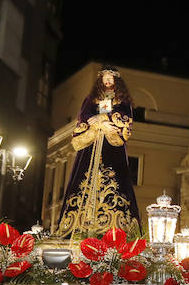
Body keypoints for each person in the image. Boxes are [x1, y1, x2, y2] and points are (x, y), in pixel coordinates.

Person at [54, 66, 141, 239]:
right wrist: (94, 122)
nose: (107, 81)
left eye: (110, 78)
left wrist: (105, 119)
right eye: (105, 78)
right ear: (101, 81)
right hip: (92, 142)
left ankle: (115, 227)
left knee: (115, 178)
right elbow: (84, 114)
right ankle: (77, 224)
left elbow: (125, 115)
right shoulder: (91, 98)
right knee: (83, 177)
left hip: (111, 143)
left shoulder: (122, 100)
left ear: (117, 81)